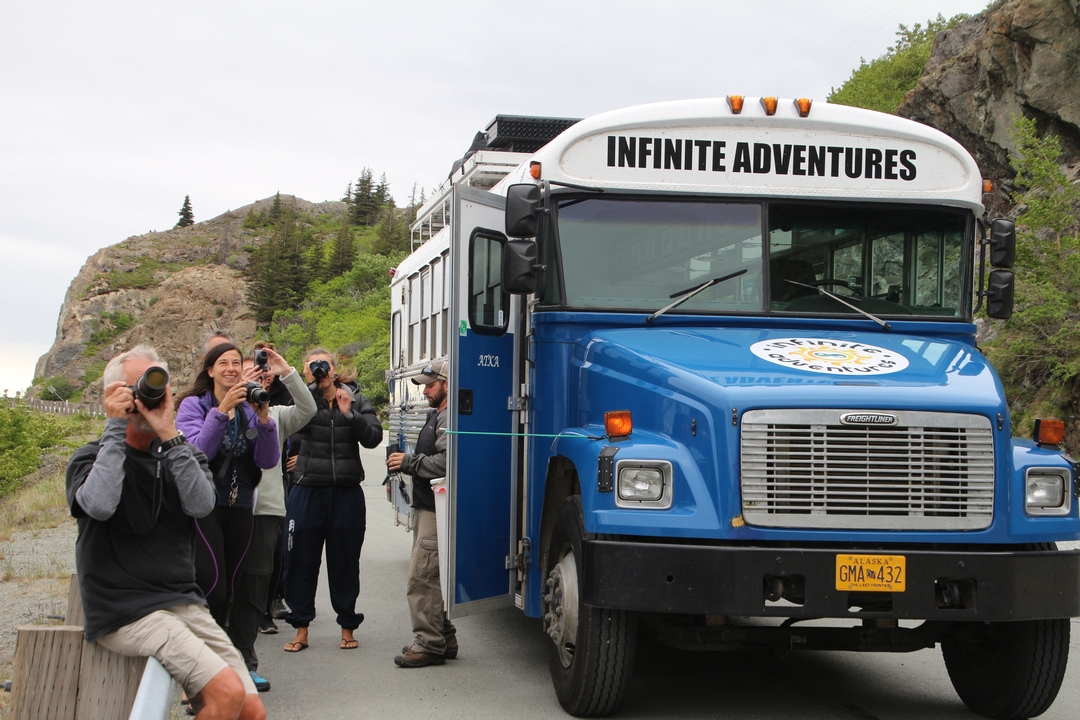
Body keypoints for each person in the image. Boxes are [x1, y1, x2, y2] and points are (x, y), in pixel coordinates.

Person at [66, 345, 265, 720]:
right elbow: (100, 504)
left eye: (156, 385)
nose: (147, 396)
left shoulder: (177, 454)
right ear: (111, 395)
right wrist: (114, 427)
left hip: (181, 601)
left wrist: (170, 433)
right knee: (225, 693)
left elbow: (202, 504)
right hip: (126, 610)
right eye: (135, 387)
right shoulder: (90, 457)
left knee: (251, 708)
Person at [282, 349, 382, 652]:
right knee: (300, 560)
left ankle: (347, 627)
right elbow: (287, 429)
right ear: (306, 371)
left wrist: (348, 413)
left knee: (345, 561)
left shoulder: (355, 398)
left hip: (346, 491)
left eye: (324, 364)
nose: (319, 369)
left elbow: (374, 437)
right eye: (312, 366)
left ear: (335, 368)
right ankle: (301, 628)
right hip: (307, 488)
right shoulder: (304, 399)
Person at [228, 352, 316, 691]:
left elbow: (308, 410)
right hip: (225, 511)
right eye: (254, 373)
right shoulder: (220, 410)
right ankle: (215, 672)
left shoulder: (277, 415)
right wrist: (237, 388)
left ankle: (247, 663)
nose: (260, 379)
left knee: (254, 592)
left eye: (265, 375)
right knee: (222, 591)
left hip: (265, 511)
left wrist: (287, 373)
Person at [176, 343, 280, 629]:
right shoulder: (193, 406)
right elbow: (199, 452)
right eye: (223, 363)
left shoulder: (248, 410)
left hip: (241, 506)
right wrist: (221, 411)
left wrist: (263, 418)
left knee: (232, 588)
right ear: (210, 370)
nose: (231, 369)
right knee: (212, 588)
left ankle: (221, 655)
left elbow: (268, 460)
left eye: (236, 363)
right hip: (205, 507)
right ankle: (201, 651)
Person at [387, 359, 457, 668]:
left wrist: (409, 463)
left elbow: (447, 462)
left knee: (423, 578)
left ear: (446, 383)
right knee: (432, 577)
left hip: (434, 509)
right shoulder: (436, 415)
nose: (425, 390)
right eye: (424, 386)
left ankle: (429, 644)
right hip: (426, 506)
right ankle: (445, 637)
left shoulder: (448, 418)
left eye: (430, 384)